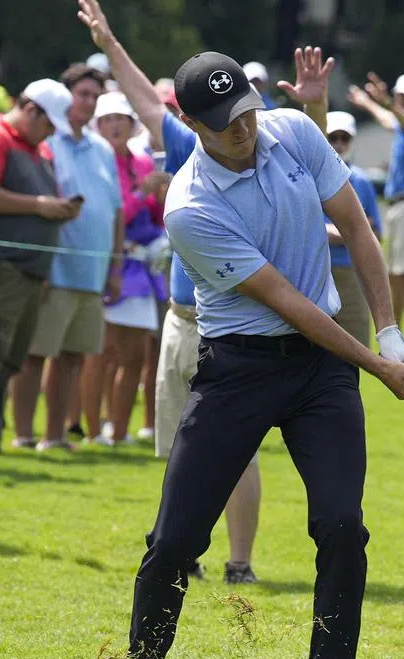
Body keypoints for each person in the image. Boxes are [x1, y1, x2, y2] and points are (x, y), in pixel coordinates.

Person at [92, 50, 404, 659]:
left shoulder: (294, 131)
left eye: (245, 111)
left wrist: (390, 332)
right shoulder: (190, 206)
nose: (242, 130)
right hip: (238, 369)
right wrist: (375, 365)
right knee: (178, 536)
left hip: (319, 373)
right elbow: (285, 301)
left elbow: (358, 227)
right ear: (194, 124)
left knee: (340, 524)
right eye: (224, 124)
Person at [78, 0, 333, 583]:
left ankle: (237, 560)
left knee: (234, 452)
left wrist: (315, 105)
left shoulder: (274, 144)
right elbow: (145, 97)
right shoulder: (187, 145)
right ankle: (185, 553)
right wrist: (110, 43)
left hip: (237, 329)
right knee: (182, 451)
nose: (237, 125)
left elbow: (313, 170)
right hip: (182, 318)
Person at [11, 63, 123, 452]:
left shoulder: (103, 149)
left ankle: (55, 435)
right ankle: (25, 435)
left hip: (91, 272)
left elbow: (116, 210)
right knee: (36, 354)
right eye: (83, 94)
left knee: (74, 357)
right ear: (65, 95)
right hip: (54, 269)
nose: (90, 103)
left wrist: (116, 265)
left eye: (95, 96)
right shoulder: (47, 142)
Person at [0, 80, 79, 454]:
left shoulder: (39, 148)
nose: (50, 132)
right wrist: (38, 205)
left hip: (31, 272)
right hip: (5, 268)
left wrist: (56, 209)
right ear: (31, 110)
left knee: (10, 359)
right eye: (48, 123)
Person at [82, 91, 170, 446]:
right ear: (99, 124)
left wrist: (159, 198)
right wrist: (140, 194)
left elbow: (154, 217)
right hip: (110, 263)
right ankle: (93, 431)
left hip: (142, 267)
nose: (116, 125)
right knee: (103, 354)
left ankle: (119, 432)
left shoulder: (143, 162)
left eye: (123, 118)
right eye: (109, 118)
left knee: (136, 355)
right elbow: (116, 215)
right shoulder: (98, 161)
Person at [348, 71, 404, 351]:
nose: (403, 101)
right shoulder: (403, 125)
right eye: (400, 96)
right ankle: (397, 333)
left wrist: (385, 101)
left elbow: (400, 119)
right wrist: (367, 103)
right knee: (395, 274)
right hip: (400, 205)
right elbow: (390, 119)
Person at [325, 110, 382, 346]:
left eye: (344, 138)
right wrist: (350, 230)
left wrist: (339, 232)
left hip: (352, 271)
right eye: (333, 137)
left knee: (357, 342)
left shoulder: (361, 181)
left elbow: (376, 233)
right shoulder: (308, 177)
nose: (338, 144)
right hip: (319, 270)